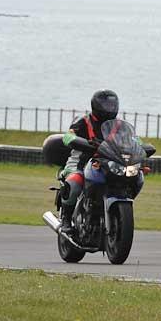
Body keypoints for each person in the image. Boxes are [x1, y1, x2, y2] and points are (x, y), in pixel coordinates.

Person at [58, 89, 119, 234]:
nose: (109, 108)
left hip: (108, 164)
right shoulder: (83, 121)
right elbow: (69, 135)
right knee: (75, 182)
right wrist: (74, 139)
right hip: (81, 163)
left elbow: (133, 140)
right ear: (96, 105)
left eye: (111, 105)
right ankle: (66, 219)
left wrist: (141, 146)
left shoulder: (118, 125)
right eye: (106, 105)